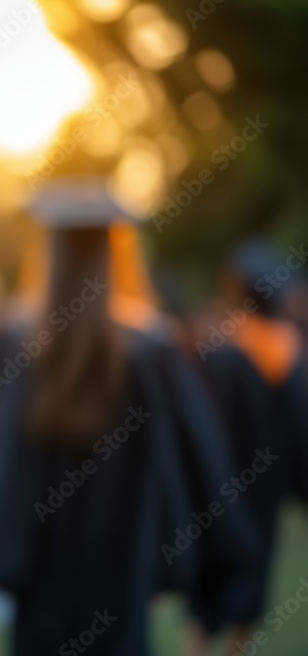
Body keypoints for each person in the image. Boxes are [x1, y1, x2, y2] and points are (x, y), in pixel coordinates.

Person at [0, 179, 260, 656]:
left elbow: (0, 468)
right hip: (126, 578)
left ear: (49, 254)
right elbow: (201, 464)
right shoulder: (152, 350)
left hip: (41, 584)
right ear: (118, 254)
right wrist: (219, 570)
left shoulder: (21, 344)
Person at [184, 240, 308, 654]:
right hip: (266, 490)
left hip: (220, 485)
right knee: (250, 582)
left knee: (211, 586)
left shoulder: (223, 349)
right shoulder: (290, 351)